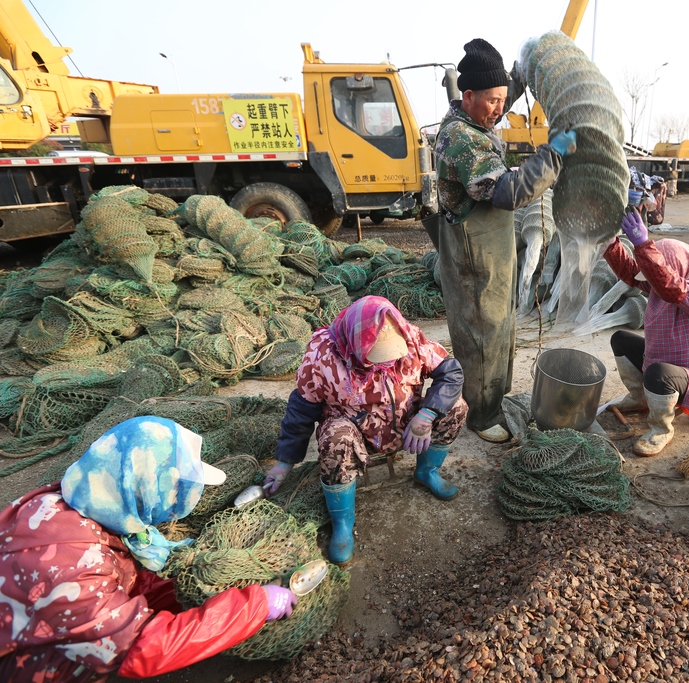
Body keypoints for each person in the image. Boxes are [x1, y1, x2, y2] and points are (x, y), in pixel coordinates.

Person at [0, 416, 296, 682]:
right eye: (176, 488)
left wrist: (188, 580)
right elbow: (141, 649)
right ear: (145, 488)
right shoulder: (73, 567)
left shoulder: (77, 499)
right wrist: (252, 606)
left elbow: (114, 578)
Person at [434, 38, 577, 443]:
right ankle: (481, 414)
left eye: (503, 99)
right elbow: (508, 192)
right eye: (492, 101)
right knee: (483, 335)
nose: (499, 108)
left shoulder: (473, 116)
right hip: (473, 257)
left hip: (488, 251)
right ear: (468, 95)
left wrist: (520, 75)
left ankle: (492, 398)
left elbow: (497, 94)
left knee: (498, 329)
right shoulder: (463, 140)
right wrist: (554, 153)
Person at [263, 296, 468, 566]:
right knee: (336, 440)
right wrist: (284, 462)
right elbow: (300, 411)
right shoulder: (321, 357)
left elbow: (451, 373)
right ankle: (343, 524)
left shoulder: (411, 337)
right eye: (376, 359)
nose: (385, 366)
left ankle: (426, 471)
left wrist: (427, 414)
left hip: (408, 426)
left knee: (456, 407)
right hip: (357, 432)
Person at [603, 208, 689, 455]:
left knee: (658, 373)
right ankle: (641, 398)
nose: (649, 283)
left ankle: (661, 429)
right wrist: (610, 241)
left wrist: (643, 245)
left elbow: (674, 290)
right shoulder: (662, 283)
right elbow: (634, 275)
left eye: (655, 274)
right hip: (671, 365)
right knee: (621, 340)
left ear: (673, 269)